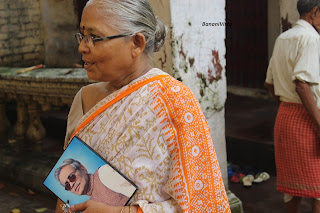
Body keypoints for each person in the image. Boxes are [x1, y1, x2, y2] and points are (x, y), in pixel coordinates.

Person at [55, 0, 231, 212]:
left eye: (94, 37)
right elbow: (64, 199)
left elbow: (202, 204)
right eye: (82, 35)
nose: (82, 46)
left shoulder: (173, 101)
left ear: (136, 43)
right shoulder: (84, 99)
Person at [265, 0, 320, 212]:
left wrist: (287, 104)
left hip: (285, 117)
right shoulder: (311, 39)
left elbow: (269, 83)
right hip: (308, 120)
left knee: (292, 190)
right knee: (317, 192)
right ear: (314, 12)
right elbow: (302, 85)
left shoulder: (283, 37)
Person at [54, 158, 130, 206]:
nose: (71, 184)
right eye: (67, 185)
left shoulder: (104, 173)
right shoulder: (90, 206)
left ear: (82, 168)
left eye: (71, 177)